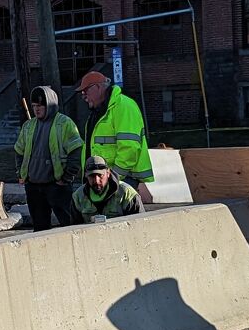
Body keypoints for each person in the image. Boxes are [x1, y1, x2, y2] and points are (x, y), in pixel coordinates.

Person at [76, 69, 154, 204]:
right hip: (105, 181)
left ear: (98, 87)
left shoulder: (123, 106)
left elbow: (129, 148)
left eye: (85, 91)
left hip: (120, 181)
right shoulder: (99, 112)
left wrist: (113, 178)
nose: (84, 97)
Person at [13, 85, 83, 231]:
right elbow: (19, 150)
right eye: (34, 106)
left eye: (40, 106)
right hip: (33, 186)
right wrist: (20, 173)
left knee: (69, 225)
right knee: (39, 229)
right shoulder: (28, 126)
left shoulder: (64, 123)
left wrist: (67, 177)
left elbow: (76, 151)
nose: (36, 109)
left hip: (57, 186)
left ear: (49, 105)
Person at [72, 157, 145, 222]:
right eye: (91, 176)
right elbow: (73, 228)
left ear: (108, 173)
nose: (96, 181)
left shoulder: (127, 194)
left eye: (100, 175)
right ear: (86, 175)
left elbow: (140, 224)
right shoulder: (78, 197)